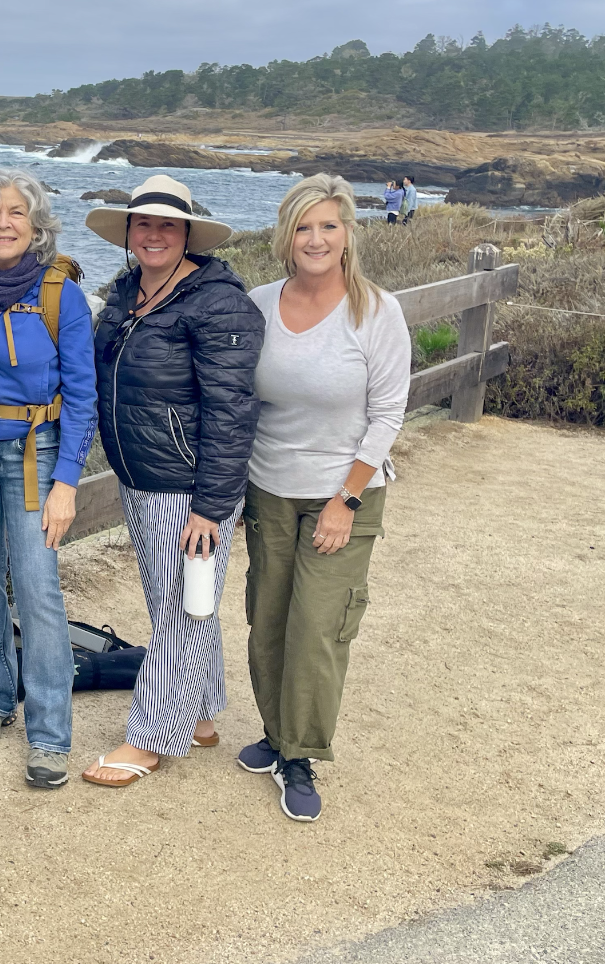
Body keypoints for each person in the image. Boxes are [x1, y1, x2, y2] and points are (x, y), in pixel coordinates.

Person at [81, 175, 263, 788]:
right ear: (129, 231)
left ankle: (150, 737)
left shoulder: (219, 304)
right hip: (140, 478)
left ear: (187, 233)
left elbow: (232, 413)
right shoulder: (126, 291)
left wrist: (210, 507)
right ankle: (201, 713)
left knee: (178, 611)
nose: (154, 234)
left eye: (168, 224)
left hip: (188, 487)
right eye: (143, 223)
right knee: (183, 601)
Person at [238, 174, 409, 822]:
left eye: (328, 226)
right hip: (269, 489)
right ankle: (276, 732)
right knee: (268, 619)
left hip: (344, 494)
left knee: (316, 629)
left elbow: (388, 414)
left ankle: (301, 753)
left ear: (347, 234)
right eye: (303, 227)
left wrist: (346, 500)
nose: (316, 239)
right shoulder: (258, 304)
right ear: (286, 236)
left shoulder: (376, 312)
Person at [0, 167, 97, 790]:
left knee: (37, 588)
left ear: (36, 225)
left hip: (37, 453)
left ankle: (50, 734)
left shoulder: (62, 293)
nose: (2, 223)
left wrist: (68, 483)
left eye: (15, 213)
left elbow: (82, 396)